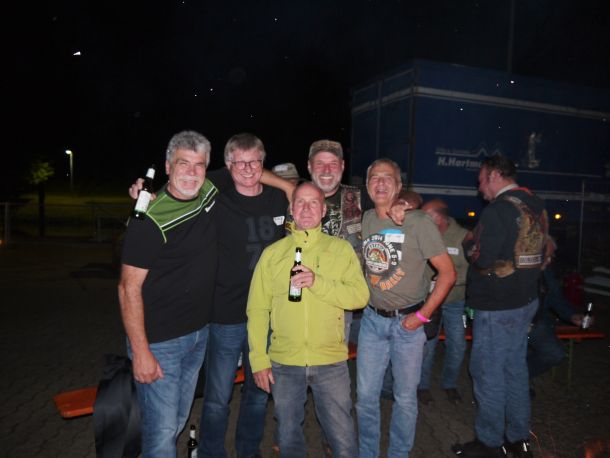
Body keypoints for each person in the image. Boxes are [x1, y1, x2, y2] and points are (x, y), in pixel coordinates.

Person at [247, 182, 369, 458]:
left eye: (313, 202)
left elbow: (359, 297)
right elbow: (257, 310)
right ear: (291, 209)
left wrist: (318, 282)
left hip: (330, 361)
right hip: (284, 363)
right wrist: (259, 360)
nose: (306, 208)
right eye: (300, 202)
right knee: (289, 439)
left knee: (344, 441)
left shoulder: (340, 250)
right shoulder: (272, 254)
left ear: (324, 211)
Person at [118, 130, 218, 456]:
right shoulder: (148, 219)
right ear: (167, 166)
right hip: (160, 344)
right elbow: (127, 288)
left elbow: (248, 168)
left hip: (198, 334)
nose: (191, 172)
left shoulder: (208, 192)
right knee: (161, 434)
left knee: (175, 422)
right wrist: (141, 352)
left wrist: (290, 187)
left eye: (198, 165)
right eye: (182, 163)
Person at [357, 158, 456, 458]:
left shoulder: (419, 222)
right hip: (372, 321)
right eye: (375, 177)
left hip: (408, 325)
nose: (380, 182)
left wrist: (423, 316)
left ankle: (399, 454)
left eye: (388, 177)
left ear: (399, 186)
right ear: (367, 185)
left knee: (405, 399)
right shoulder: (366, 220)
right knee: (365, 398)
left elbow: (448, 274)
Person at [199, 134, 288, 458]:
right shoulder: (216, 200)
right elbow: (188, 181)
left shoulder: (280, 199)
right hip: (226, 314)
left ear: (263, 163)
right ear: (228, 165)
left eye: (254, 162)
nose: (248, 169)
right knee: (217, 396)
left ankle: (248, 451)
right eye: (240, 162)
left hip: (267, 318)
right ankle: (211, 452)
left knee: (258, 393)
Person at [454, 154, 548, 458]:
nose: (480, 188)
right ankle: (518, 440)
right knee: (514, 369)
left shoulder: (497, 210)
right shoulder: (535, 204)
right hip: (526, 300)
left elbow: (480, 256)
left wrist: (469, 243)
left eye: (482, 180)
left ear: (495, 175)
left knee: (488, 373)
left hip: (497, 306)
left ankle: (489, 443)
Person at [418, 199, 472, 405]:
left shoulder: (463, 237)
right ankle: (422, 387)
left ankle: (449, 384)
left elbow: (474, 272)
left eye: (425, 215)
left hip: (454, 302)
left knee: (457, 345)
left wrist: (446, 279)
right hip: (429, 302)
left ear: (438, 218)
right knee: (427, 346)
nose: (421, 219)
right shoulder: (422, 234)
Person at [528, 237, 587, 379]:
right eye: (547, 256)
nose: (550, 260)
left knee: (555, 353)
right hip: (512, 323)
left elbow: (555, 298)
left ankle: (519, 379)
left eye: (552, 256)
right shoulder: (513, 270)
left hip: (537, 323)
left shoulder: (546, 272)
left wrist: (572, 315)